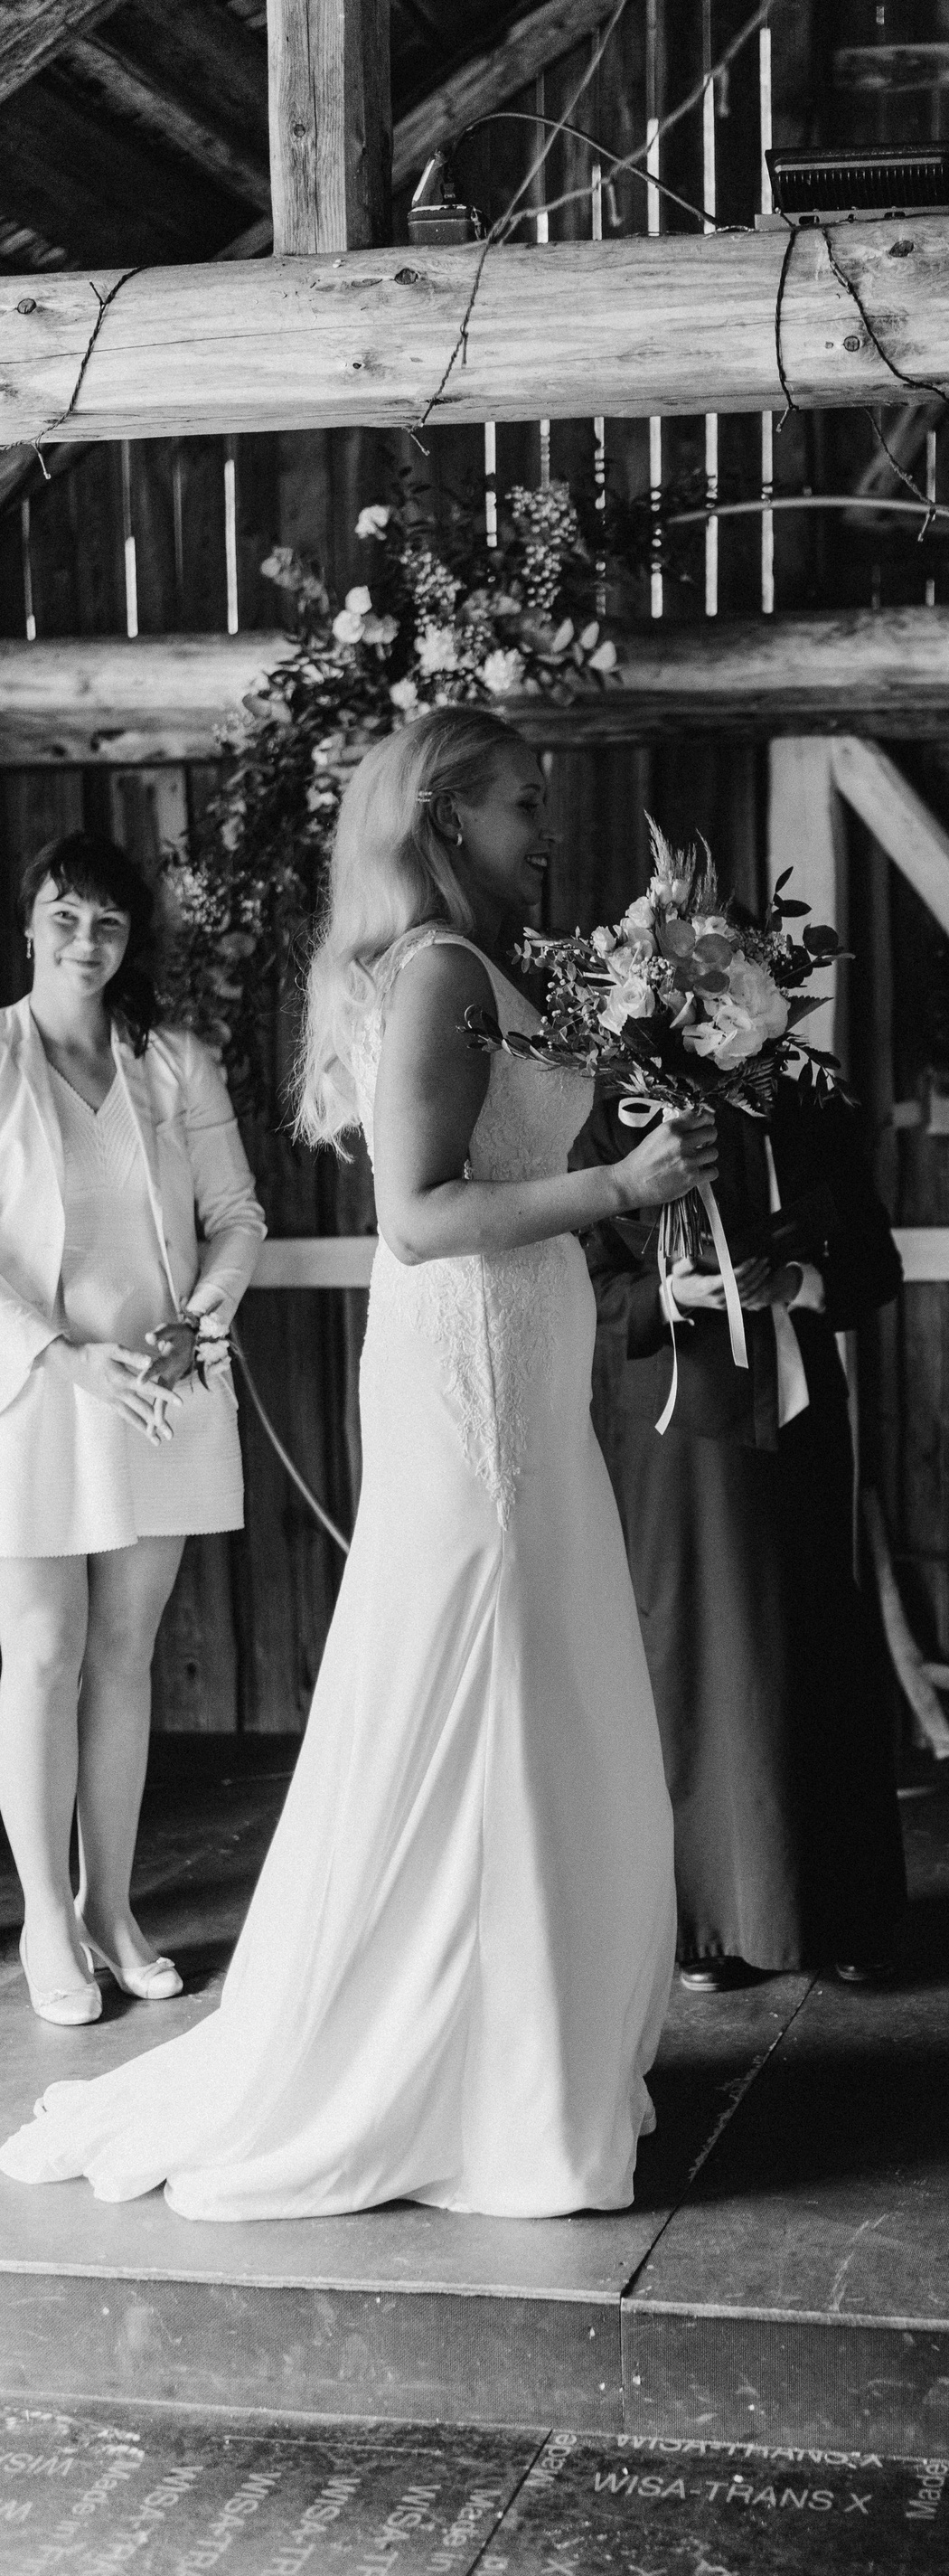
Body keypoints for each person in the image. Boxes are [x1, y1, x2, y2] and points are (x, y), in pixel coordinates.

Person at [0, 705, 716, 2221]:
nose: (547, 827)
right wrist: (615, 1182)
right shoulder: (443, 972)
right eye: (522, 803)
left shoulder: (495, 970)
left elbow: (506, 1167)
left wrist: (634, 1154)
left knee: (545, 1670)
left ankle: (528, 2038)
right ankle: (455, 2062)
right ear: (449, 819)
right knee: (479, 1673)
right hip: (468, 1366)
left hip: (527, 1359)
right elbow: (418, 1216)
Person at [0, 833, 265, 2030]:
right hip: (34, 1395)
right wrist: (59, 1355)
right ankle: (45, 1922)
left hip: (162, 1394)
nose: (85, 941)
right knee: (43, 1653)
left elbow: (236, 1215)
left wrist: (199, 1323)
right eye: (65, 916)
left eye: (108, 923)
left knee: (123, 1655)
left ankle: (110, 1909)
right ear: (29, 923)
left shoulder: (173, 1062)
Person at [577, 1083, 907, 1988]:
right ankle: (712, 1925)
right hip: (677, 1434)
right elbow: (578, 1284)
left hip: (801, 1417)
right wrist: (668, 1294)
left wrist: (797, 1283)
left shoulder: (809, 1106)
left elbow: (875, 1265)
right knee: (697, 1652)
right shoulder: (613, 1114)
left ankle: (839, 1909)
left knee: (816, 1641)